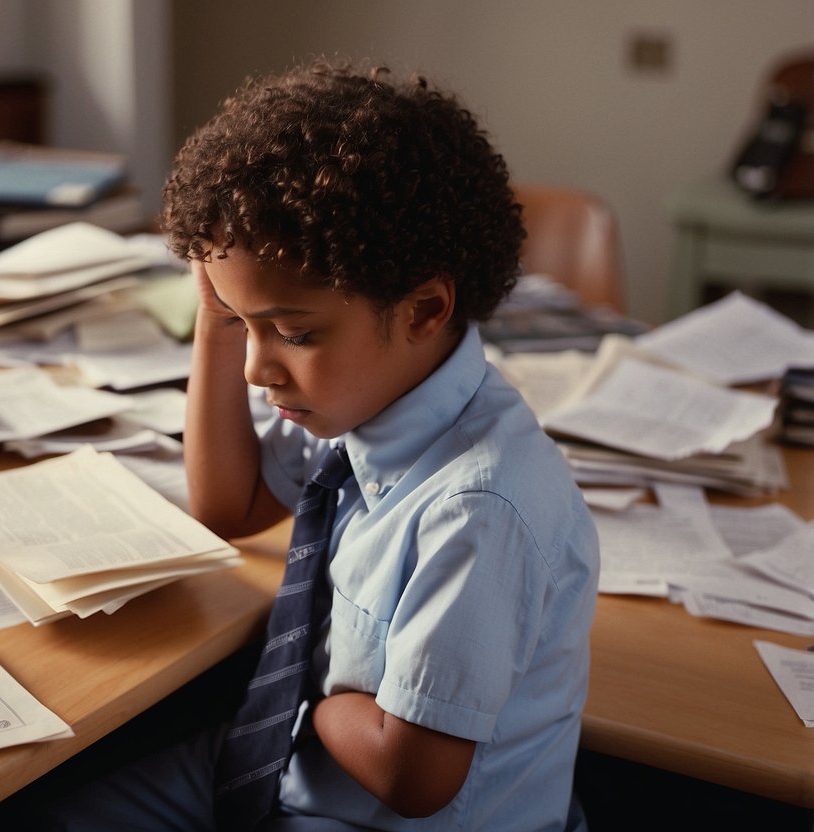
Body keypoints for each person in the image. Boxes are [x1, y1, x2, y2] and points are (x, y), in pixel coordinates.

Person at [38, 57, 599, 831]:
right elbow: (227, 504)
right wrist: (215, 316)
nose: (258, 369)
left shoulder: (478, 510)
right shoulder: (365, 400)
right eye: (244, 323)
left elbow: (415, 776)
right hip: (285, 766)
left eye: (294, 333)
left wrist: (324, 691)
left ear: (423, 308)